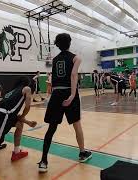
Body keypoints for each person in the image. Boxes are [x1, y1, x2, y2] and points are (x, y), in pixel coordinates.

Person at [38, 33, 92, 173]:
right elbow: (73, 75)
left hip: (56, 94)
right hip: (69, 92)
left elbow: (53, 79)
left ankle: (43, 161)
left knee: (51, 128)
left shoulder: (55, 60)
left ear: (58, 44)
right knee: (76, 124)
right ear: (69, 43)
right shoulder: (76, 58)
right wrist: (73, 95)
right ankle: (82, 153)